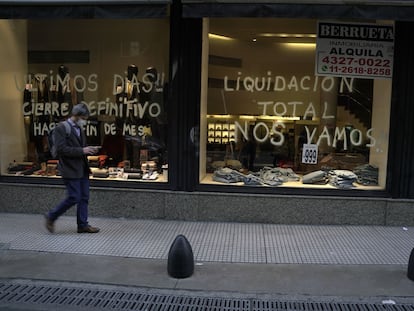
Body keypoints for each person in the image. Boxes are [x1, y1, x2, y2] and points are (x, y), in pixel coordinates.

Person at [45, 103, 100, 234]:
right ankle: (51, 216)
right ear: (77, 116)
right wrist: (83, 150)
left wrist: (89, 150)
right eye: (84, 118)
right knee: (74, 197)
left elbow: (81, 148)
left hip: (82, 168)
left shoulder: (79, 129)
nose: (85, 121)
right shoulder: (61, 128)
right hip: (69, 169)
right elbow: (61, 149)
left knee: (84, 197)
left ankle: (82, 225)